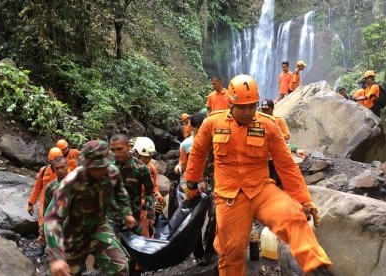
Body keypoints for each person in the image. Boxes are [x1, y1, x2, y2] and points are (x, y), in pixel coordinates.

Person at [184, 75, 332, 276]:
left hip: (262, 190)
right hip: (229, 197)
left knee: (294, 216)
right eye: (242, 107)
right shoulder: (212, 123)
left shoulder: (268, 125)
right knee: (231, 251)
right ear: (230, 104)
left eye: (252, 106)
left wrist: (304, 200)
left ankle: (317, 268)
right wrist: (192, 183)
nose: (247, 112)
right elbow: (198, 153)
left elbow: (286, 165)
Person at [44, 140, 135, 276]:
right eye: (94, 168)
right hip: (72, 234)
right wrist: (56, 257)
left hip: (98, 226)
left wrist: (126, 213)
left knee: (120, 267)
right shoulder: (71, 183)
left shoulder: (112, 173)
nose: (98, 171)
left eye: (101, 166)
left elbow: (119, 193)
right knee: (63, 272)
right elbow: (53, 217)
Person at [173, 112, 209, 266]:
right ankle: (199, 253)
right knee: (194, 219)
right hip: (193, 183)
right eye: (198, 128)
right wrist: (179, 166)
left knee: (215, 217)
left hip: (212, 182)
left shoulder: (214, 140)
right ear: (192, 127)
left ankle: (213, 247)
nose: (201, 131)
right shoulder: (186, 144)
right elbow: (183, 162)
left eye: (203, 127)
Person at [109, 134, 155, 238]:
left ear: (128, 147)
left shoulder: (140, 168)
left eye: (120, 149)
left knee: (132, 248)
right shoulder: (108, 166)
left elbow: (149, 192)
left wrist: (150, 214)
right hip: (111, 217)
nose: (116, 153)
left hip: (133, 217)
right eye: (113, 150)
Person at [27, 147, 64, 243]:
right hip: (45, 201)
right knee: (42, 223)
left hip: (60, 202)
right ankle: (43, 244)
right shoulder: (44, 171)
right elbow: (37, 187)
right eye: (53, 160)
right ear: (50, 159)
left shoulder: (65, 170)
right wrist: (30, 203)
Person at [132, 138, 166, 234]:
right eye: (144, 157)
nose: (147, 160)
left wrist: (158, 195)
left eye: (149, 157)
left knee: (146, 237)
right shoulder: (128, 170)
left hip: (144, 211)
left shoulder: (151, 169)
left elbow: (153, 186)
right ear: (136, 154)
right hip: (130, 210)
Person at [39, 156, 70, 245]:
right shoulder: (51, 187)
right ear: (53, 170)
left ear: (67, 166)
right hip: (58, 223)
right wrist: (42, 231)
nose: (60, 170)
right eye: (57, 168)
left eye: (62, 167)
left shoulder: (77, 183)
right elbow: (46, 209)